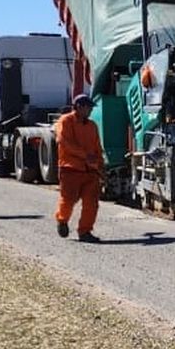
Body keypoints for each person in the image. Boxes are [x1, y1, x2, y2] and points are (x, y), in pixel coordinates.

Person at [54, 94, 104, 242]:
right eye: (88, 108)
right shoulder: (65, 121)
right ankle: (62, 220)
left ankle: (85, 232)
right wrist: (84, 155)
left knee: (92, 204)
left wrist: (101, 165)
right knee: (68, 200)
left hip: (91, 171)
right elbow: (64, 142)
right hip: (70, 169)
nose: (90, 111)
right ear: (79, 107)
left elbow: (97, 147)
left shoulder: (92, 126)